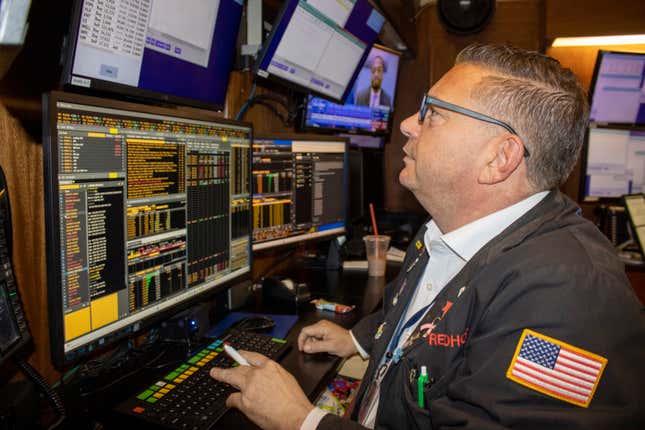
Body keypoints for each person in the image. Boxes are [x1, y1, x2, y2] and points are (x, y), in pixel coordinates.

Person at [210, 43, 645, 429]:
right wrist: (361, 338)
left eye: (432, 114)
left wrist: (301, 421)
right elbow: (435, 310)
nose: (407, 126)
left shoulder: (568, 298)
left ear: (500, 158)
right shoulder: (449, 226)